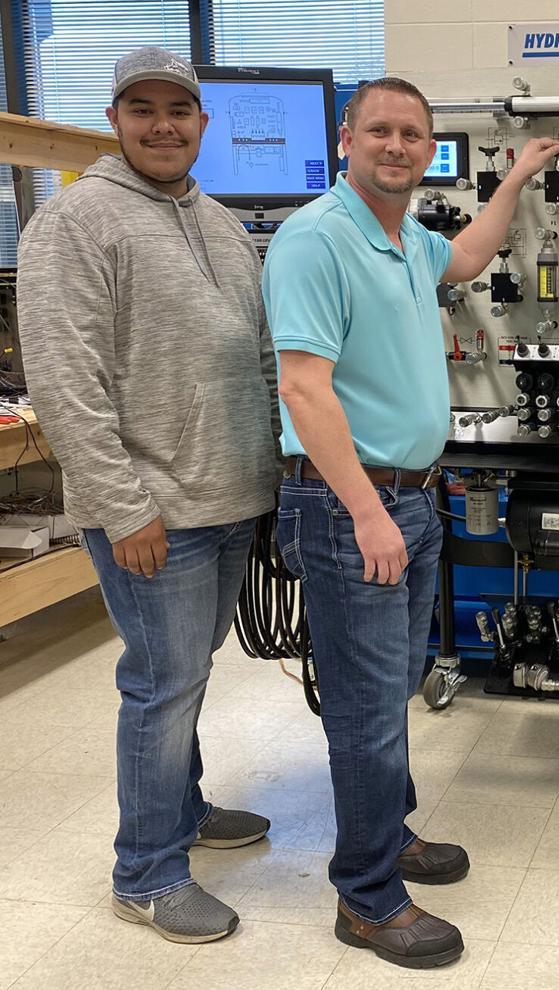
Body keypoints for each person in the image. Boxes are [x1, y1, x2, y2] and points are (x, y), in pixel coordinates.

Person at [261, 76, 559, 969]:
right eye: (380, 130)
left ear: (429, 149)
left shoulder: (403, 240)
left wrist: (515, 180)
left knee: (387, 694)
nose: (398, 146)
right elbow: (302, 388)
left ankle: (387, 836)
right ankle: (367, 898)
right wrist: (365, 513)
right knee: (362, 709)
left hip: (410, 498)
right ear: (345, 136)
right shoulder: (317, 239)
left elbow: (469, 257)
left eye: (414, 135)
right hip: (351, 502)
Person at [16, 48, 279, 943]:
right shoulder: (76, 221)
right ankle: (147, 872)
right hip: (152, 509)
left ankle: (185, 809)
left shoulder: (220, 222)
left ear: (204, 121)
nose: (163, 125)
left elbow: (260, 354)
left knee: (188, 671)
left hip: (229, 497)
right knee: (162, 685)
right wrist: (122, 507)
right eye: (143, 109)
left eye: (179, 109)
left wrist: (278, 474)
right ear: (115, 118)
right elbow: (64, 378)